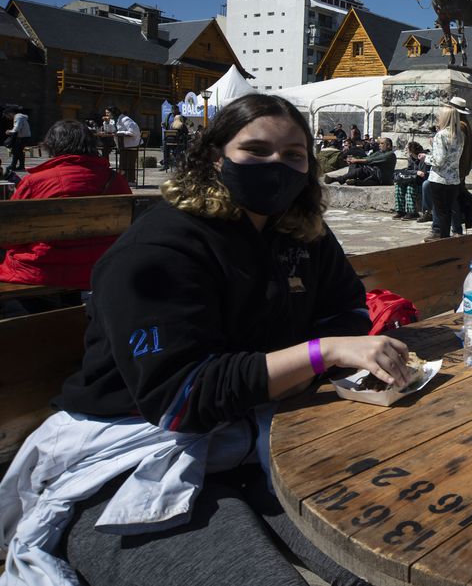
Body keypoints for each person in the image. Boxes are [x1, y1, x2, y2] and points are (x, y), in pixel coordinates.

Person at [0, 93, 408, 586]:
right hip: (130, 457)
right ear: (215, 157)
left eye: (293, 155)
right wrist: (320, 353)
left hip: (263, 434)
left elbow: (345, 310)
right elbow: (182, 397)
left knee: (382, 563)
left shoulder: (302, 234)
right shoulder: (161, 247)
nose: (276, 166)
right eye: (255, 151)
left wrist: (321, 349)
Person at [0, 120, 131, 290]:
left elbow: (9, 237)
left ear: (52, 145)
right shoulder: (115, 180)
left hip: (42, 270)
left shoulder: (35, 182)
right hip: (101, 267)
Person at [424, 105, 463, 241]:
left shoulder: (440, 135)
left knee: (441, 213)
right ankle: (446, 239)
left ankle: (443, 240)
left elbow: (439, 160)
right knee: (447, 212)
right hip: (453, 179)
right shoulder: (459, 135)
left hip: (439, 179)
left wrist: (425, 158)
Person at [446, 96, 472, 237]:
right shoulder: (465, 124)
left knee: (453, 200)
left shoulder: (461, 126)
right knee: (455, 198)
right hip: (461, 168)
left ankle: (457, 229)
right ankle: (456, 228)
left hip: (457, 169)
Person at [324, 137, 396, 186]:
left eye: (382, 143)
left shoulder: (390, 155)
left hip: (380, 177)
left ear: (388, 146)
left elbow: (370, 160)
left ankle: (336, 179)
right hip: (372, 173)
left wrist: (356, 159)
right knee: (355, 163)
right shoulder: (379, 152)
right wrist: (353, 160)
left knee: (360, 171)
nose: (379, 145)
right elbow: (367, 157)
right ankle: (350, 178)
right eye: (379, 143)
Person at [392, 141, 429, 220]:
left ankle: (412, 212)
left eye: (407, 149)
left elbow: (423, 174)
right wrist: (416, 172)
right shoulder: (410, 159)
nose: (405, 151)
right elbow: (409, 170)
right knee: (398, 185)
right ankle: (400, 211)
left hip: (421, 182)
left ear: (411, 151)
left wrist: (417, 173)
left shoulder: (424, 159)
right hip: (413, 179)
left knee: (410, 187)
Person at [106, 105, 141, 186]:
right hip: (122, 145)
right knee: (122, 163)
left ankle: (131, 180)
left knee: (129, 163)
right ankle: (123, 179)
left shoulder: (126, 120)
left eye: (108, 113)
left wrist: (119, 133)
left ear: (113, 113)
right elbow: (110, 130)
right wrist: (107, 123)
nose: (107, 115)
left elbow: (134, 132)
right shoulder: (113, 120)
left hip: (132, 144)